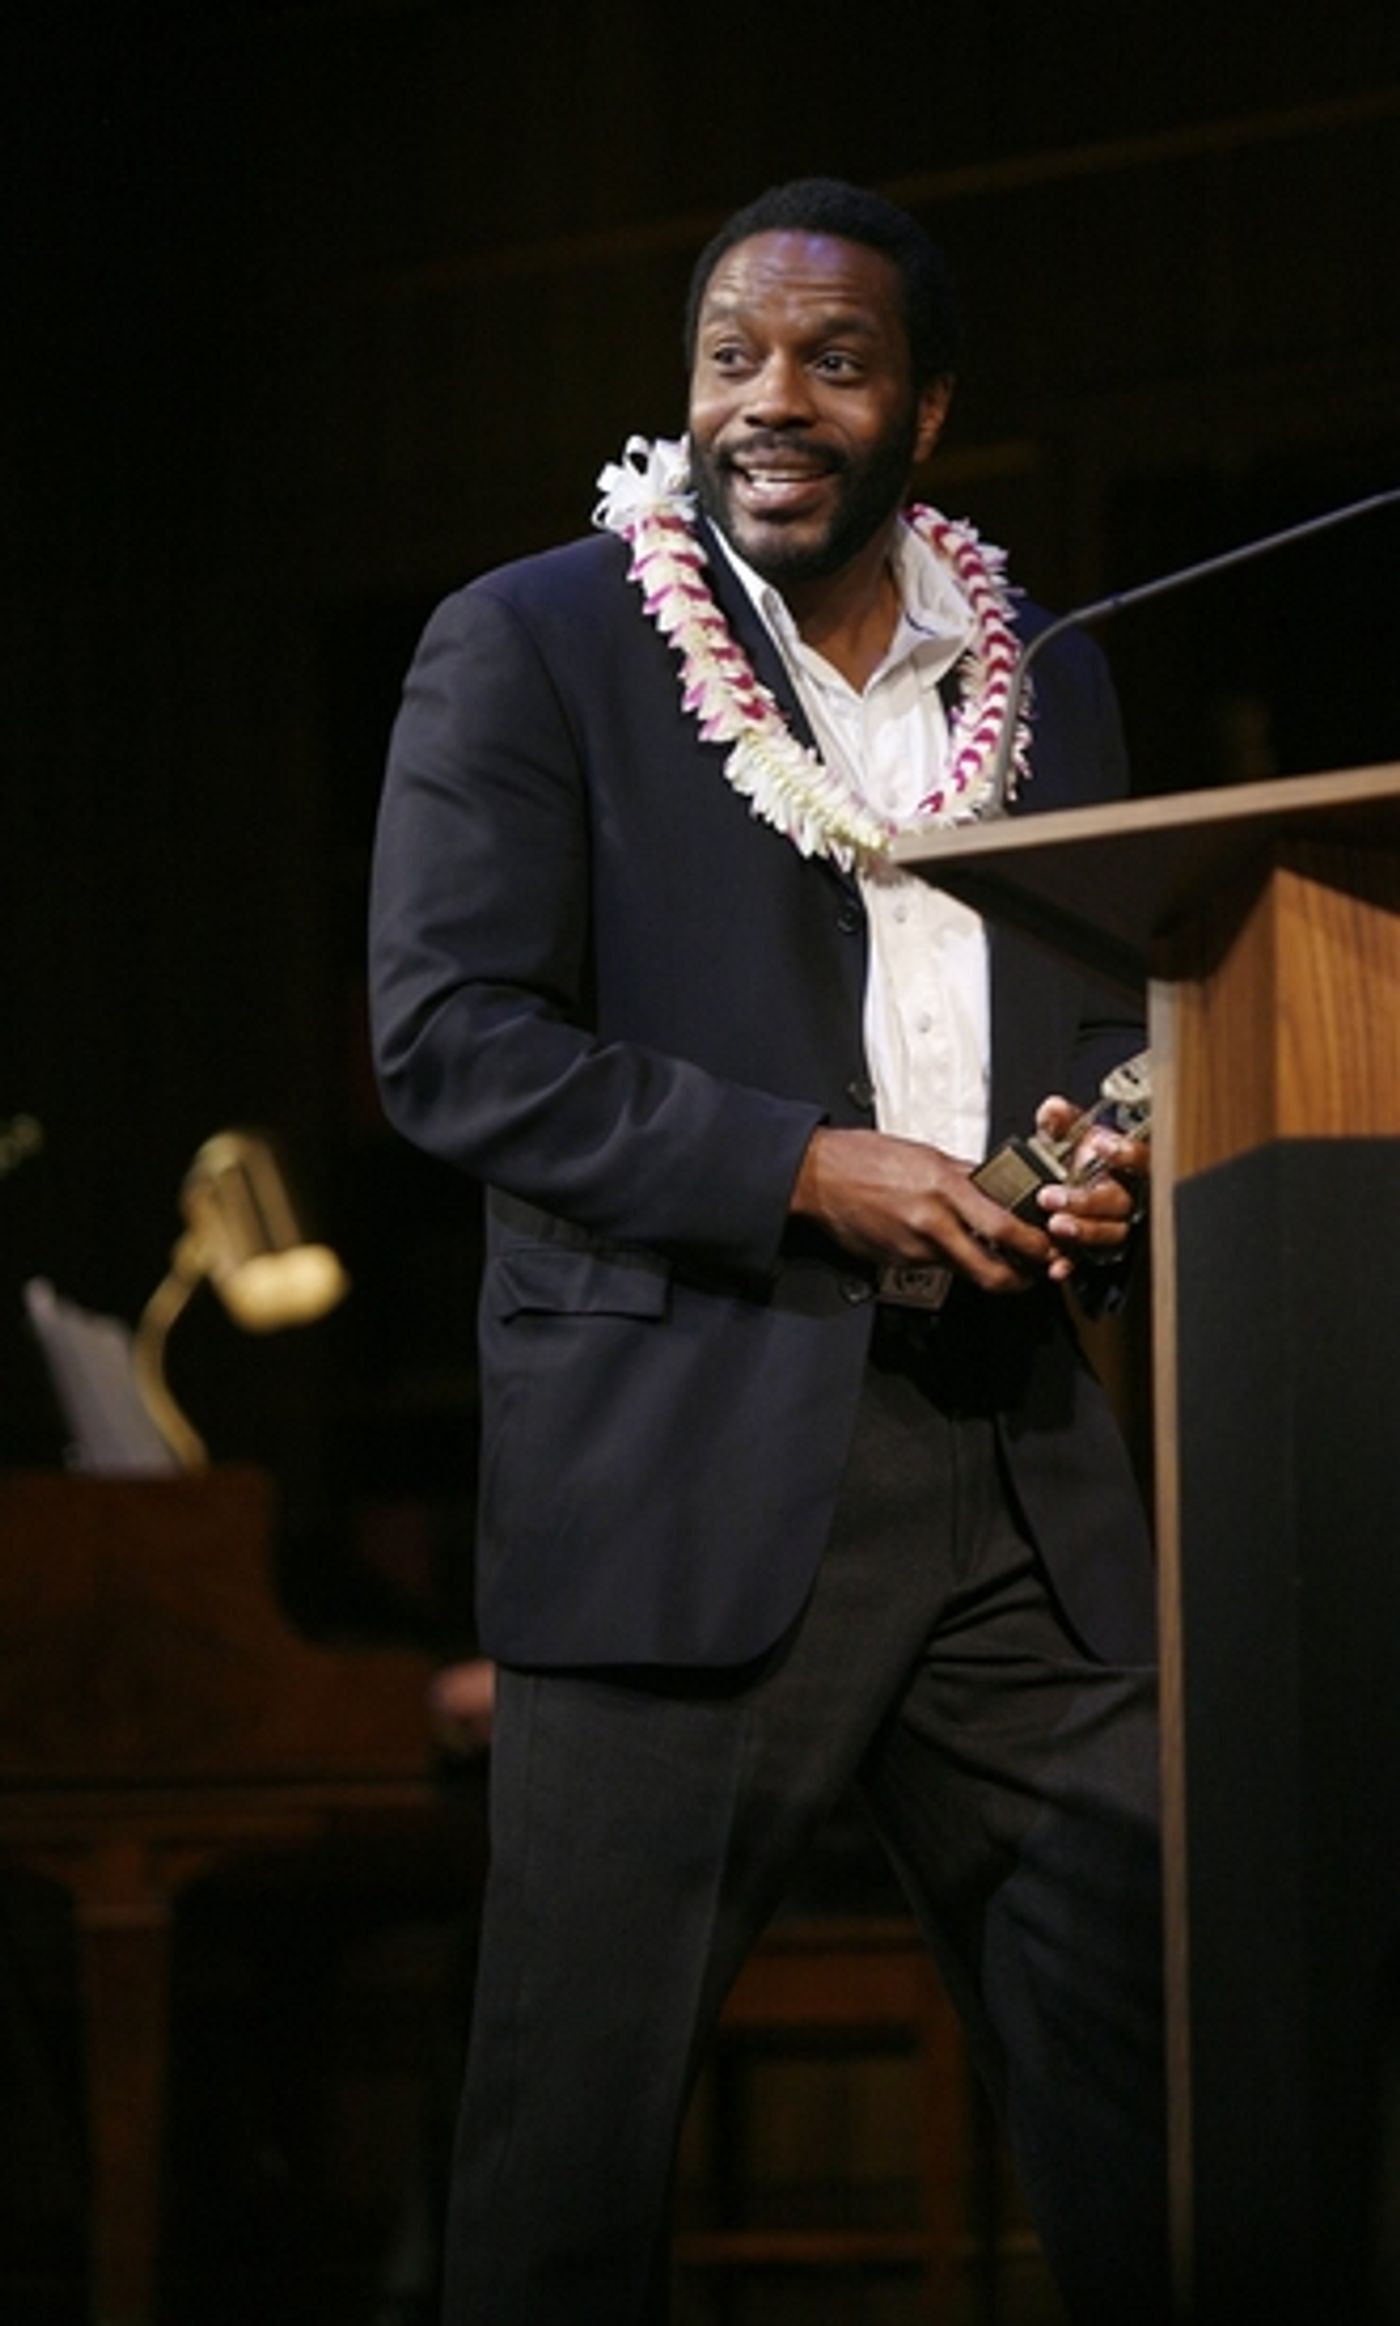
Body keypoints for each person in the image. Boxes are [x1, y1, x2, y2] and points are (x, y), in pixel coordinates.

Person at [369, 176, 1167, 2325]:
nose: (771, 401)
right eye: (731, 356)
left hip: (1011, 1470)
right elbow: (449, 1044)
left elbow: (1101, 1016)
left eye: (831, 360)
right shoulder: (535, 641)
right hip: (682, 1467)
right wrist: (811, 1167)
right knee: (567, 2155)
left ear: (928, 409)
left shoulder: (1048, 678)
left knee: (1166, 2071)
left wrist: (1094, 1165)